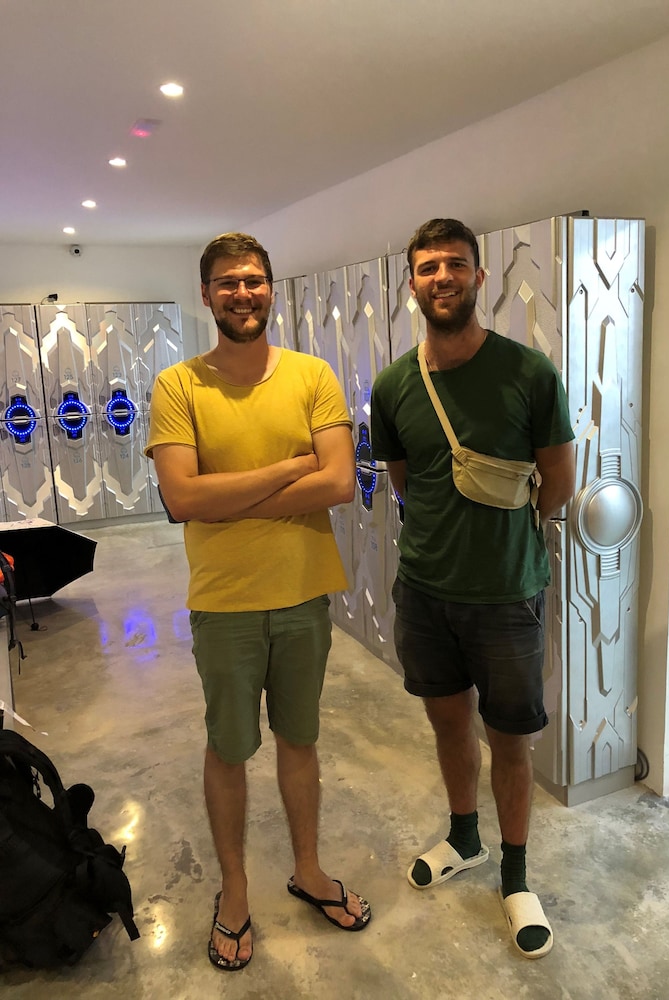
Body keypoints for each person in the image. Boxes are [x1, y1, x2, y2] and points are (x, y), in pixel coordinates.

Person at [145, 232, 372, 973]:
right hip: (225, 603)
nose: (242, 293)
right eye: (227, 282)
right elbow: (183, 499)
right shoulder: (179, 386)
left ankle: (308, 870)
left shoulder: (312, 374)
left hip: (304, 595)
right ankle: (235, 888)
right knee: (229, 748)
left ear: (271, 288)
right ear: (206, 295)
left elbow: (338, 483)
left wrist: (230, 497)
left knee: (300, 742)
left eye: (253, 280)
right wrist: (288, 469)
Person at [370, 218, 575, 960]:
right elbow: (406, 483)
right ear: (412, 284)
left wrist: (501, 543)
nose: (443, 278)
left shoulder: (529, 373)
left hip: (507, 594)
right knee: (448, 724)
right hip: (425, 591)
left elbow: (558, 483)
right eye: (428, 267)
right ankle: (465, 839)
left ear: (479, 277)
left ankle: (515, 877)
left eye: (456, 265)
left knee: (510, 740)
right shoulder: (394, 385)